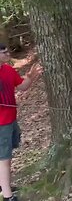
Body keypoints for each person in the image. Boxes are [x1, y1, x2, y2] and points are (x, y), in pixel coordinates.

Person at [0, 43, 41, 201]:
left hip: (11, 121)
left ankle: (4, 185)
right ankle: (8, 196)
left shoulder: (9, 70)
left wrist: (31, 77)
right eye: (3, 52)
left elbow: (22, 87)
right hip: (1, 125)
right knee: (4, 159)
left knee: (7, 157)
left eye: (6, 50)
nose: (7, 53)